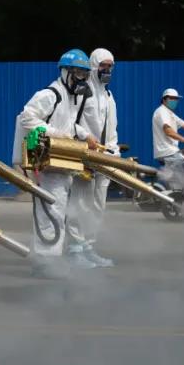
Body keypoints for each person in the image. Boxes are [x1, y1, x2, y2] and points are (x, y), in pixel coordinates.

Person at [17, 49, 98, 279]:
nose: (81, 79)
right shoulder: (51, 94)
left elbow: (69, 126)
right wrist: (56, 134)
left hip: (61, 160)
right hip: (44, 160)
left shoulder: (71, 99)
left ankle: (50, 257)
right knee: (49, 209)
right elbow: (28, 117)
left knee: (58, 208)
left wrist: (83, 135)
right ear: (65, 72)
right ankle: (46, 261)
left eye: (84, 74)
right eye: (78, 74)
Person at [66, 48, 117, 269]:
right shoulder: (82, 91)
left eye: (110, 66)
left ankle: (88, 246)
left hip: (105, 157)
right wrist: (85, 136)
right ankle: (74, 248)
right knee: (80, 203)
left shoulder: (108, 95)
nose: (107, 70)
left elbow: (111, 127)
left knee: (98, 205)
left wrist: (114, 151)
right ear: (94, 65)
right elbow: (69, 121)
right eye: (103, 65)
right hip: (85, 156)